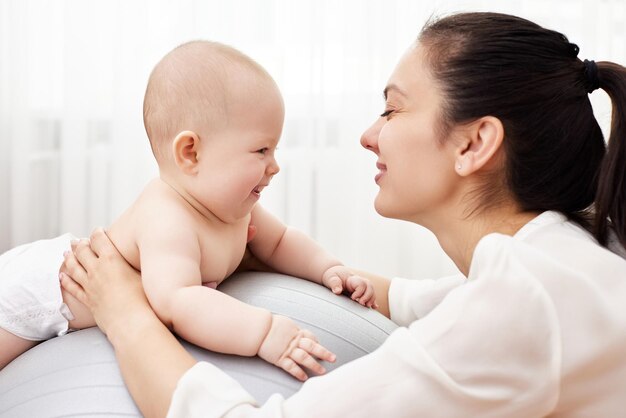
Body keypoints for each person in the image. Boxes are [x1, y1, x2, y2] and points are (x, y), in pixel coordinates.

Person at [60, 11, 626, 417]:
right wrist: (277, 255)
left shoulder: (525, 300)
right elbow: (411, 300)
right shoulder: (558, 260)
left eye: (391, 108)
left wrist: (124, 311)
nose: (367, 135)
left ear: (473, 143)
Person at [0, 40, 379, 377]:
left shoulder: (233, 208)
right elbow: (179, 303)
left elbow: (280, 243)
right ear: (191, 153)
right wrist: (264, 333)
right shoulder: (168, 218)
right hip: (40, 294)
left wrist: (331, 268)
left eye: (275, 150)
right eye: (262, 150)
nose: (275, 165)